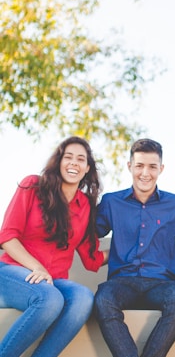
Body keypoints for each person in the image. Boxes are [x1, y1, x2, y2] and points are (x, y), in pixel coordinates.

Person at [0, 136, 106, 357]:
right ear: (59, 162)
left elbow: (91, 258)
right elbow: (7, 236)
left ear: (87, 168)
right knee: (50, 299)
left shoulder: (85, 205)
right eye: (68, 157)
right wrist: (37, 267)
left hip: (53, 280)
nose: (73, 163)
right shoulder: (33, 185)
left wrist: (129, 249)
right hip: (12, 271)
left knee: (83, 298)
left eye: (80, 159)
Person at [93, 138, 175, 357]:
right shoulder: (111, 202)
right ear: (130, 166)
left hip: (161, 283)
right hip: (121, 282)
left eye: (152, 166)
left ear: (161, 168)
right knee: (103, 299)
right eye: (139, 165)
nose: (145, 173)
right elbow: (88, 233)